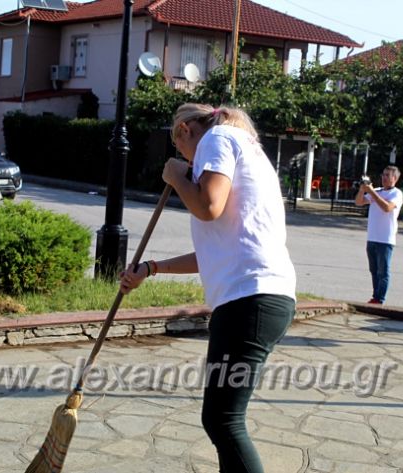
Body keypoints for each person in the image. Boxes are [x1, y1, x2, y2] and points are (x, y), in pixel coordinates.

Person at [119, 103, 297, 473]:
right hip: (261, 297)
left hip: (250, 299)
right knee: (222, 419)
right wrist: (151, 268)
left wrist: (176, 177)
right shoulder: (245, 147)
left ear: (185, 129)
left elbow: (208, 206)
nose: (182, 157)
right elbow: (214, 251)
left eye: (178, 147)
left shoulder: (217, 138)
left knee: (223, 420)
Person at [354, 166, 403, 304]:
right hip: (372, 237)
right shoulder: (377, 191)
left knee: (383, 271)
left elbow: (387, 208)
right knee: (374, 270)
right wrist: (362, 189)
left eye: (387, 175)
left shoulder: (396, 193)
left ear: (395, 178)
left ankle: (380, 298)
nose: (384, 178)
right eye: (383, 175)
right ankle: (375, 296)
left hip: (385, 239)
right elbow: (359, 202)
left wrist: (372, 192)